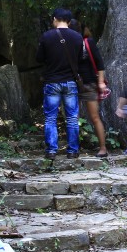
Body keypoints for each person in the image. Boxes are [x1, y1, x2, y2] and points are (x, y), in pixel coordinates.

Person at [35, 8, 83, 158]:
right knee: (72, 118)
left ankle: (51, 150)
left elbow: (39, 58)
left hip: (52, 81)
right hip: (70, 81)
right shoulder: (77, 37)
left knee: (50, 118)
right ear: (69, 21)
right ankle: (73, 151)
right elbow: (80, 59)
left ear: (55, 19)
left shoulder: (47, 36)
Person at [70, 20, 109, 157]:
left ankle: (103, 148)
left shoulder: (87, 42)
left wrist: (101, 82)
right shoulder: (67, 44)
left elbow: (100, 63)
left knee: (94, 117)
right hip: (72, 84)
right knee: (72, 118)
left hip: (89, 84)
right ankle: (73, 148)